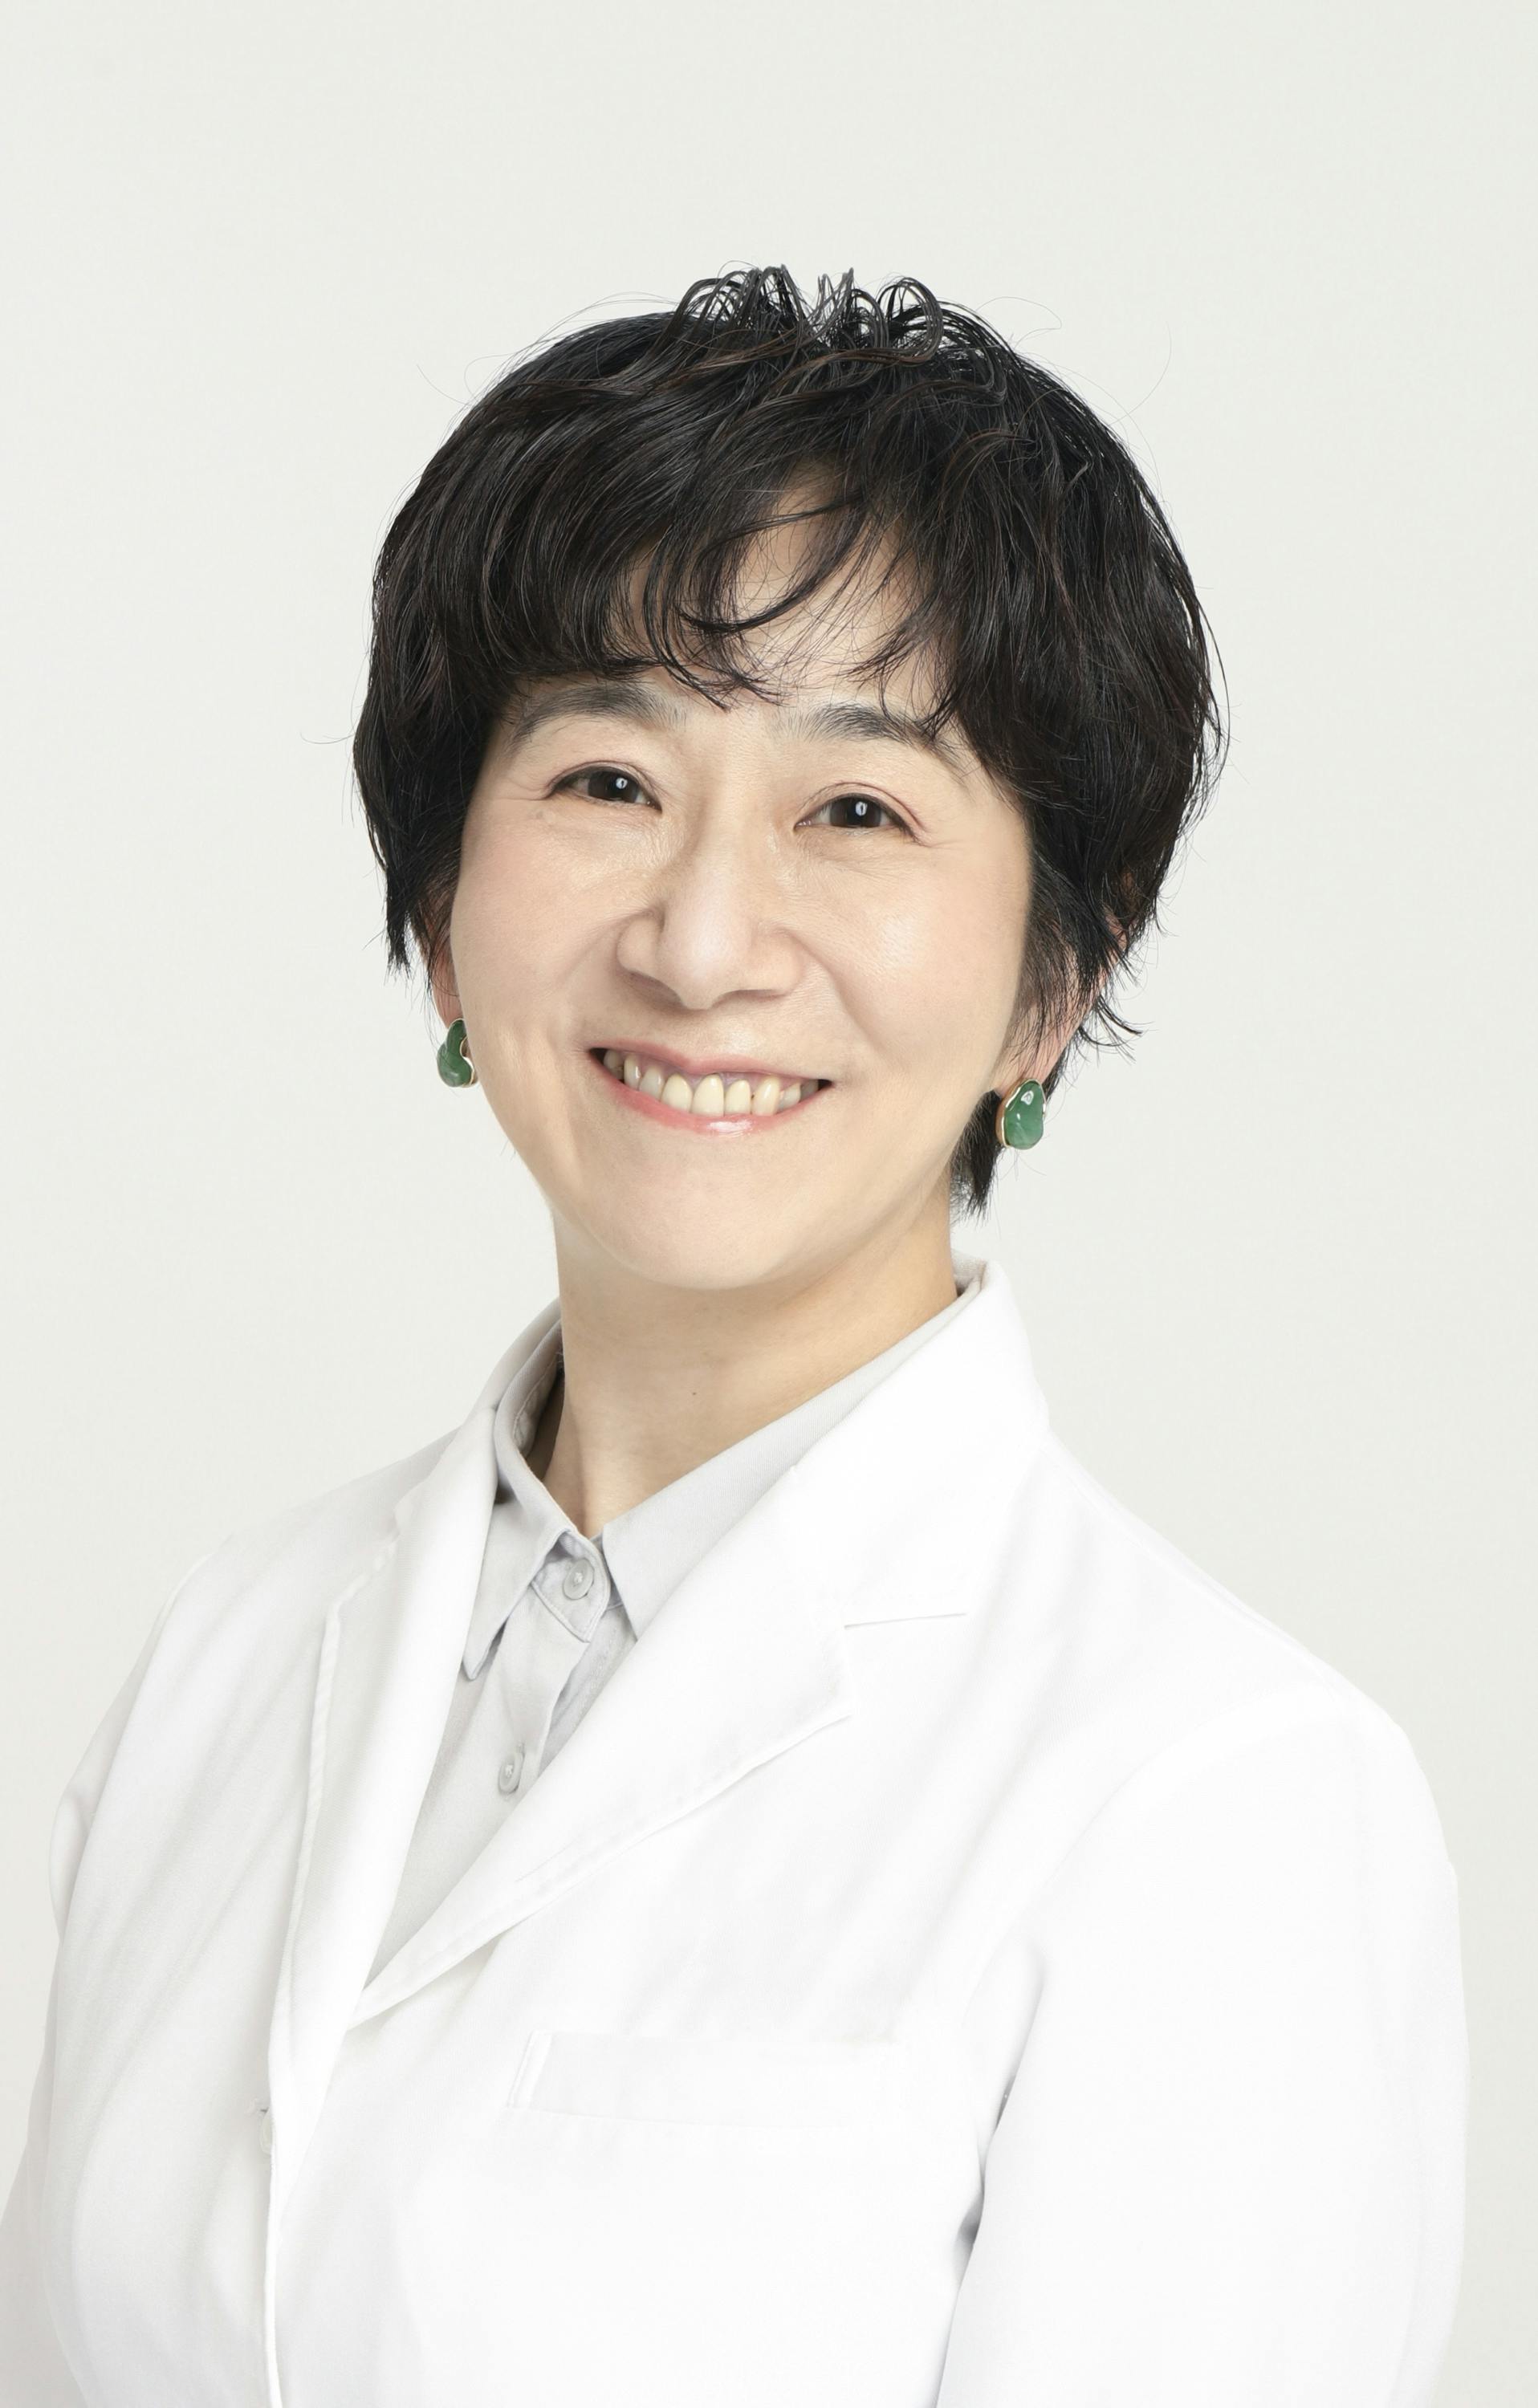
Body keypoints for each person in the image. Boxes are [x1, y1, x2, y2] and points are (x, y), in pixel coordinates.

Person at [0, 267, 1466, 2407]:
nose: (699, 943)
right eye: (607, 780)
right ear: (441, 912)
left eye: (857, 811)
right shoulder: (233, 1654)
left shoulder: (1210, 1795)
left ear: (1053, 982)